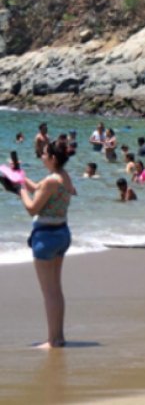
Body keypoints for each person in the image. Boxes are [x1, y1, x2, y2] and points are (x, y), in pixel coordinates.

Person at [17, 140, 77, 348]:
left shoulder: (52, 180)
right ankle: (58, 337)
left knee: (49, 293)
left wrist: (19, 192)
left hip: (46, 237)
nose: (41, 156)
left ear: (52, 158)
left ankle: (52, 340)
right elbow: (39, 188)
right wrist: (22, 179)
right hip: (61, 233)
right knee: (56, 290)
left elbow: (33, 208)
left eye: (43, 154)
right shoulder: (63, 176)